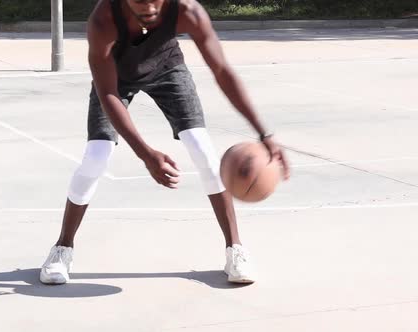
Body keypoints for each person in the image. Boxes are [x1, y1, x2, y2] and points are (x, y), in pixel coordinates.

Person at [39, 0, 290, 285]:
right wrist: (145, 153)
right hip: (115, 79)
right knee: (97, 155)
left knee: (202, 149)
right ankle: (62, 247)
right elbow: (108, 93)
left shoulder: (187, 11)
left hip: (167, 68)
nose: (148, 5)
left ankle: (236, 248)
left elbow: (221, 70)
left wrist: (264, 133)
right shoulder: (103, 19)